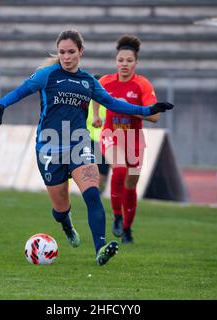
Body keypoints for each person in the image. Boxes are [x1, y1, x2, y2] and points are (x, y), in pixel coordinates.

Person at [0, 30, 174, 266]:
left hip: (79, 145)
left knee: (93, 194)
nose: (66, 57)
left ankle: (100, 248)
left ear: (81, 52)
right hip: (49, 147)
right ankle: (66, 225)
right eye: (62, 52)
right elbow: (21, 90)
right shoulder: (47, 76)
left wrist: (148, 110)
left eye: (71, 52)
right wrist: (0, 105)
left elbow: (114, 103)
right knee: (60, 208)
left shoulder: (88, 81)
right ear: (58, 53)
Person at [91, 35, 159, 244]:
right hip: (111, 135)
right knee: (118, 169)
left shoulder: (142, 85)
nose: (124, 64)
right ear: (116, 61)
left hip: (134, 139)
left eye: (129, 61)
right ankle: (117, 217)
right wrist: (96, 116)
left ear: (136, 63)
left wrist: (130, 109)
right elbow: (95, 95)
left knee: (130, 185)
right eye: (121, 60)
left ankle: (128, 229)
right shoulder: (106, 82)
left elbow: (154, 116)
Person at [86, 75, 109, 194]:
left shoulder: (107, 101)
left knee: (103, 172)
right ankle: (92, 193)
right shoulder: (85, 100)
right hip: (88, 138)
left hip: (105, 140)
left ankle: (99, 193)